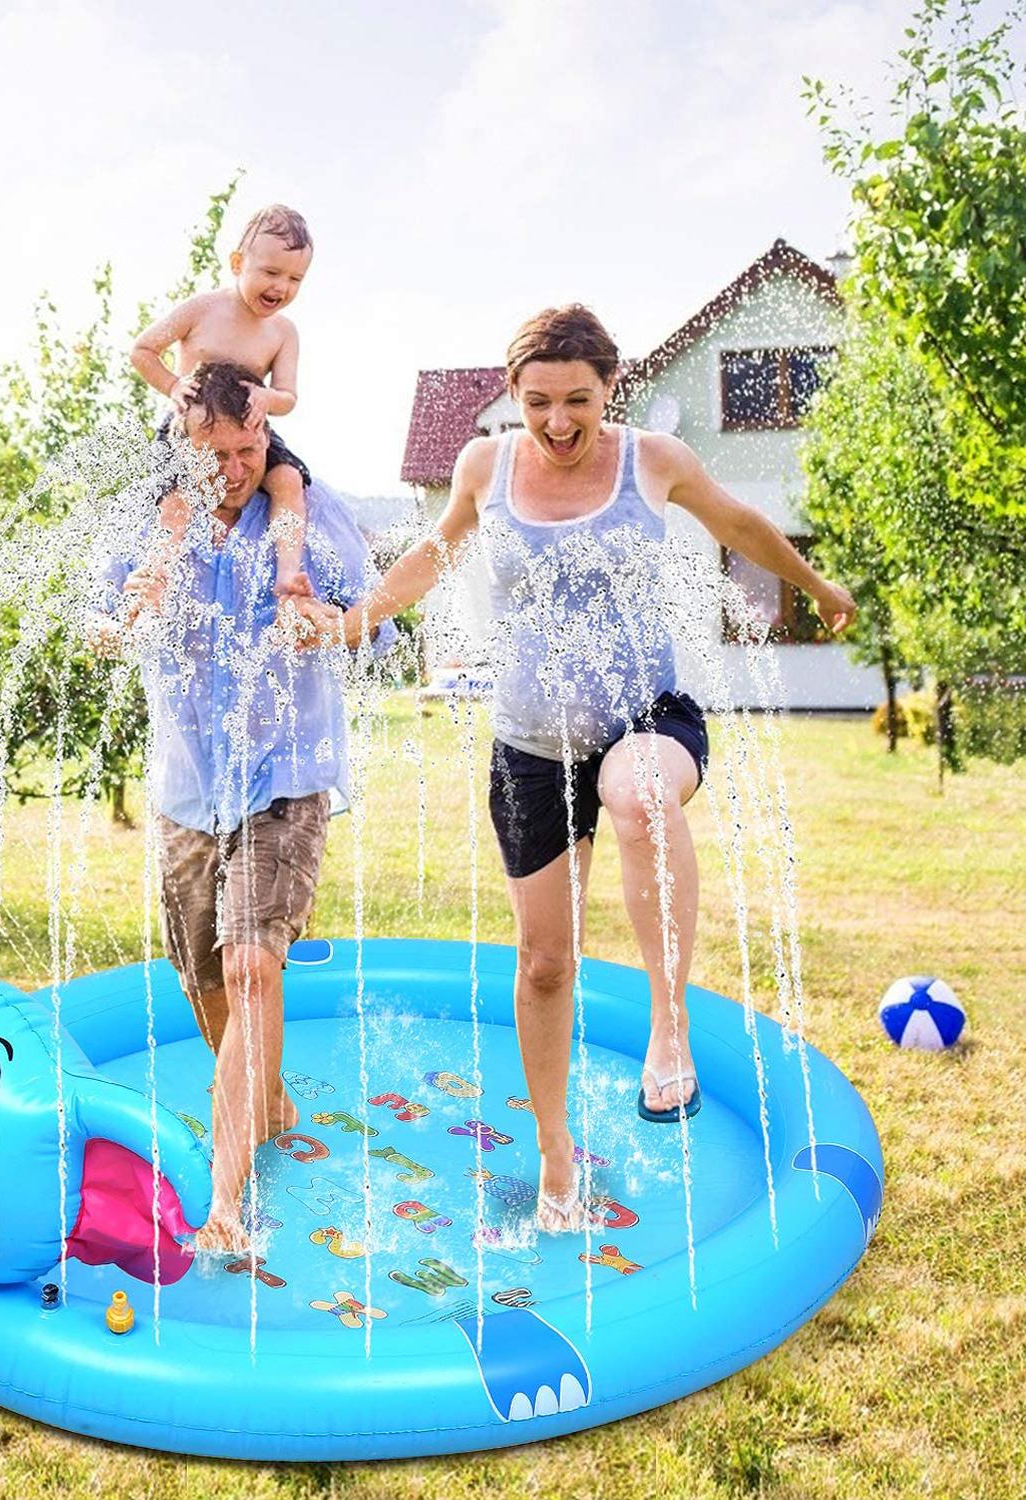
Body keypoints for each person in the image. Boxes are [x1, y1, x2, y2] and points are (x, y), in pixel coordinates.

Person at [299, 305, 856, 1229]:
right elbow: (428, 564)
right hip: (528, 745)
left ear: (611, 390)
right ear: (514, 399)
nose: (560, 423)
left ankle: (666, 1022)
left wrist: (816, 586)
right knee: (547, 965)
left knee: (635, 791)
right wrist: (350, 622)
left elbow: (740, 522)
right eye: (540, 402)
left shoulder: (653, 462)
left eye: (580, 402)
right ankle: (557, 1158)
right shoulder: (485, 467)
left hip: (647, 716)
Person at [92, 360, 394, 1252]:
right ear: (179, 448)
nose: (234, 465)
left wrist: (336, 619)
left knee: (254, 965)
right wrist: (114, 628)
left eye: (248, 445)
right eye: (214, 451)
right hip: (189, 785)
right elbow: (99, 618)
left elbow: (369, 610)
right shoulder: (152, 526)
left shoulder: (305, 513)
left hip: (284, 775)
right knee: (203, 973)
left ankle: (224, 1201)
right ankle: (263, 1098)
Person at [130, 204, 313, 596]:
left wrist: (268, 397)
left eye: (295, 278)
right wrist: (172, 385)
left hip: (248, 428)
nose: (281, 287)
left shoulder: (282, 332)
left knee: (288, 478)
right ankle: (154, 579)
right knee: (176, 498)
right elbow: (143, 350)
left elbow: (288, 397)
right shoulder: (203, 309)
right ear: (236, 263)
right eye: (271, 272)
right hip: (188, 430)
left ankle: (287, 575)